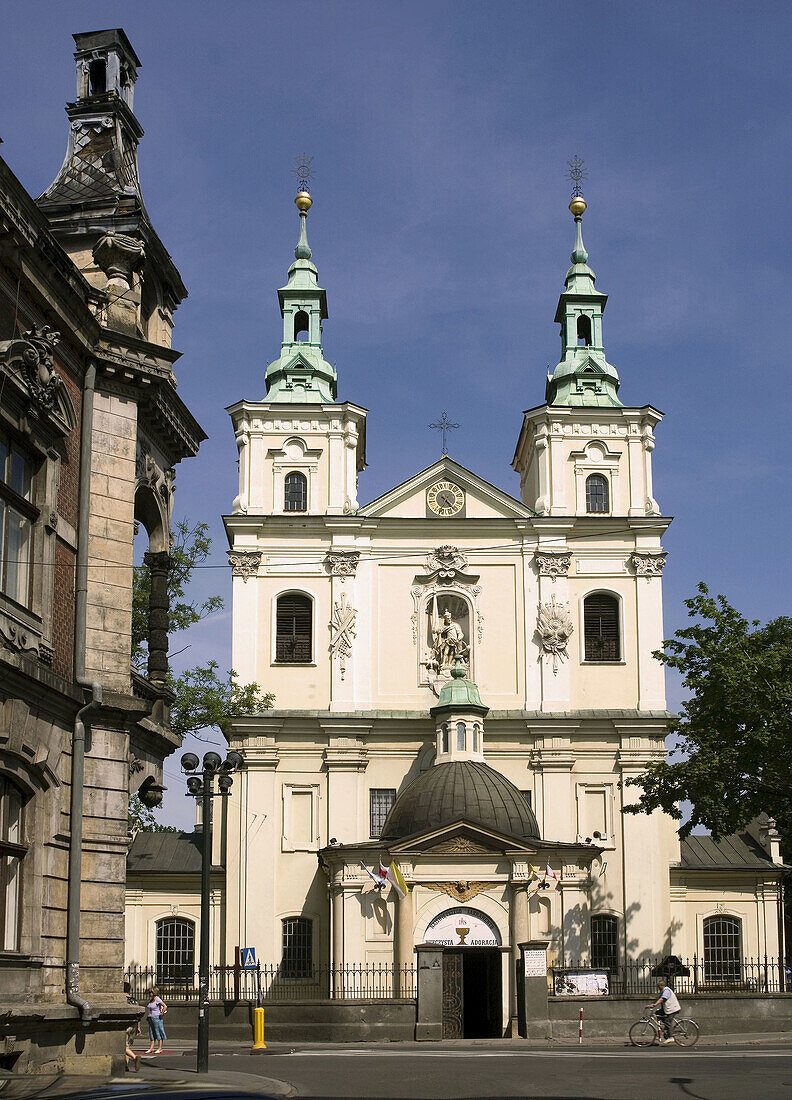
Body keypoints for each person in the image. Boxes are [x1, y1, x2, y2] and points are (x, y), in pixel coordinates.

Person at [647, 977, 681, 1044]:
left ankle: (671, 1037)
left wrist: (655, 1005)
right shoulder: (663, 991)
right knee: (657, 1013)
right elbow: (658, 998)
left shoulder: (666, 990)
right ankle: (667, 1030)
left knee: (668, 1021)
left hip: (673, 1009)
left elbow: (662, 999)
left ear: (662, 986)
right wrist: (652, 1004)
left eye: (658, 986)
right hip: (668, 1009)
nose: (658, 988)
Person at [144, 986, 167, 1054]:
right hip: (151, 1018)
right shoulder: (151, 1000)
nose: (150, 993)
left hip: (157, 1018)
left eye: (151, 992)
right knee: (151, 1032)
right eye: (149, 992)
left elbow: (165, 1006)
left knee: (158, 1032)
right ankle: (151, 1048)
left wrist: (161, 1013)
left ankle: (159, 1048)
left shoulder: (157, 999)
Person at [123, 980, 141, 1071]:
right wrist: (138, 1027)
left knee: (122, 1045)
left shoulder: (122, 1000)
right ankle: (125, 1065)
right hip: (134, 1024)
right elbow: (138, 1014)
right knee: (127, 1046)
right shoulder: (134, 1000)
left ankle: (134, 1057)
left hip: (125, 1025)